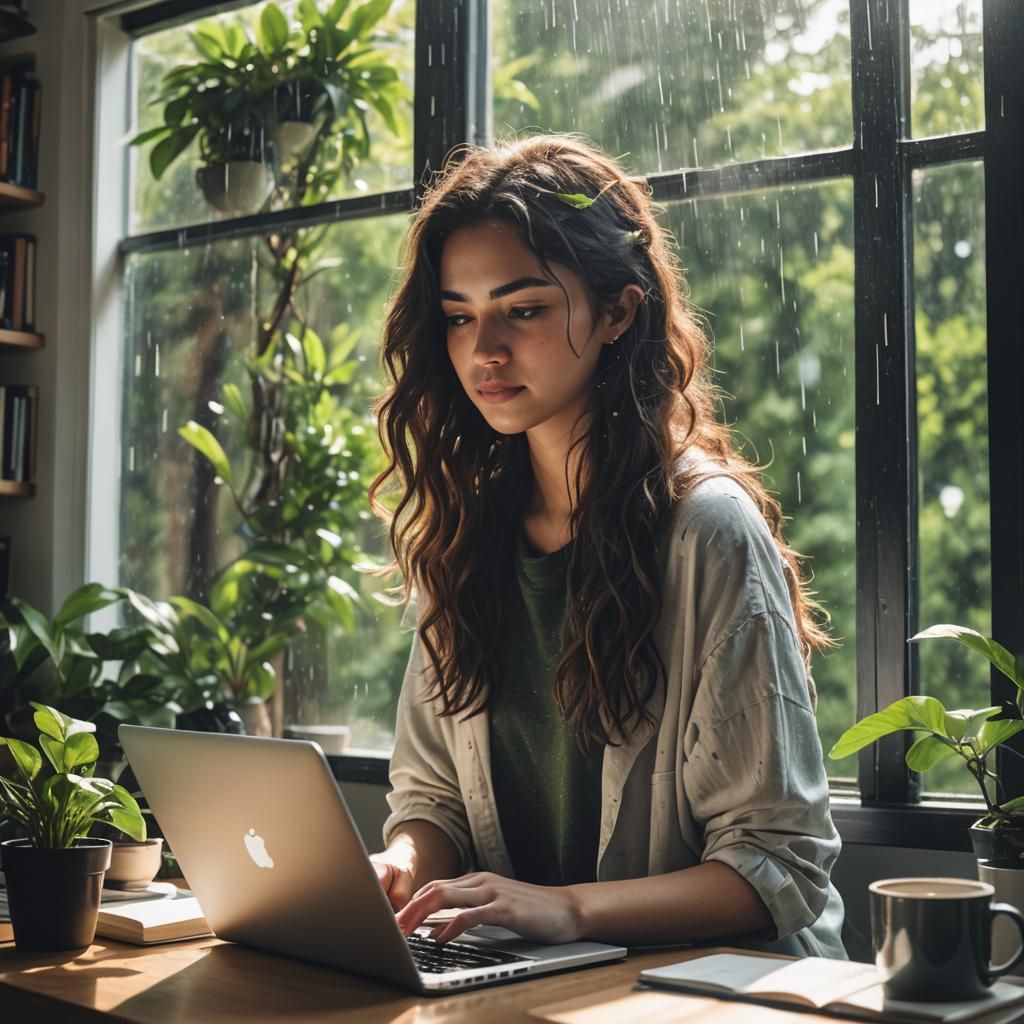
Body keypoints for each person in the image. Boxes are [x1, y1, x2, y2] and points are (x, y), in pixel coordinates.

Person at [365, 132, 846, 958]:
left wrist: (569, 910)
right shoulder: (467, 534)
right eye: (459, 317)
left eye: (523, 310)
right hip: (529, 979)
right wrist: (402, 865)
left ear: (619, 310)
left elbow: (777, 866)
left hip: (707, 995)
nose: (484, 351)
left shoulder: (707, 530)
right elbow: (436, 796)